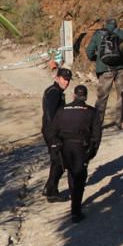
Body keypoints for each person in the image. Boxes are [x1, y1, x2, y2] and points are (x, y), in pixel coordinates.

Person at [85, 18, 123, 134]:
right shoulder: (122, 33)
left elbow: (89, 52)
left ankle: (97, 124)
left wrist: (98, 59)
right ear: (116, 25)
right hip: (122, 68)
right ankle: (121, 121)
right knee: (122, 96)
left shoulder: (98, 34)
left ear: (105, 25)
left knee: (102, 97)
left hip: (105, 69)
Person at [49, 84, 100, 222]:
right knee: (79, 178)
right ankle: (76, 211)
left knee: (71, 174)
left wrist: (57, 148)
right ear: (86, 96)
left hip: (65, 147)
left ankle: (74, 206)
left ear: (74, 95)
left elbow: (53, 131)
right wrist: (91, 152)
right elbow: (96, 135)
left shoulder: (62, 110)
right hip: (81, 148)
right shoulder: (92, 112)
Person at [41, 67, 71, 202]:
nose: (67, 83)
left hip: (52, 131)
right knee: (59, 161)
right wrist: (55, 136)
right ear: (58, 78)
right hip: (52, 132)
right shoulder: (54, 93)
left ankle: (49, 187)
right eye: (65, 80)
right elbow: (50, 115)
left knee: (57, 161)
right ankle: (51, 192)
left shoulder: (56, 91)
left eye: (68, 80)